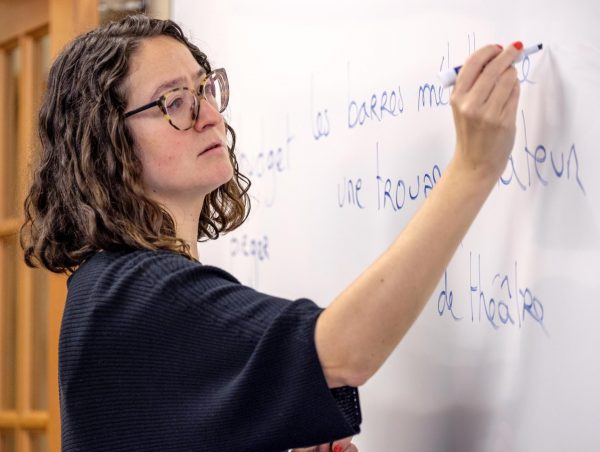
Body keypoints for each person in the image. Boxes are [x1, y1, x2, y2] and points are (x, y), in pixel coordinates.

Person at [20, 13, 522, 452]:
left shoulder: (113, 286)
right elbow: (345, 353)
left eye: (204, 89)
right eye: (173, 102)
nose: (210, 116)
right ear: (108, 144)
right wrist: (474, 169)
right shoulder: (134, 292)